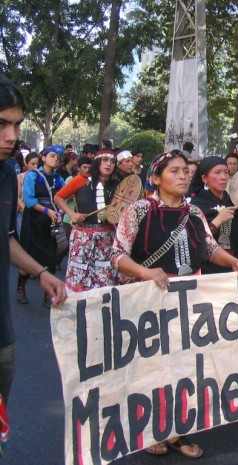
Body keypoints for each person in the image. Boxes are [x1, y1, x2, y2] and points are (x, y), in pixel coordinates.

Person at [110, 150, 238, 459]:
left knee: (185, 367)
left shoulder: (195, 213)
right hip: (149, 300)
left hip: (189, 301)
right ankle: (150, 429)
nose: (183, 176)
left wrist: (234, 261)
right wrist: (146, 272)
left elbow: (210, 249)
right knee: (153, 367)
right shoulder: (139, 210)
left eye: (185, 171)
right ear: (156, 179)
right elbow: (116, 254)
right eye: (174, 171)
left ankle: (177, 430)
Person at [0, 75, 67, 405]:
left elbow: (6, 239)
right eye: (1, 123)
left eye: (17, 124)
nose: (12, 136)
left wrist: (41, 273)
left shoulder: (6, 176)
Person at [54, 151, 122, 294]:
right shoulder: (81, 180)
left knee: (105, 277)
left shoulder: (117, 185)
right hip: (82, 236)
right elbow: (59, 197)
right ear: (97, 162)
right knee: (79, 276)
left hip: (107, 236)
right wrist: (72, 214)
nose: (109, 164)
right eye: (104, 160)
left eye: (112, 161)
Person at [189, 156, 238, 272]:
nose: (223, 177)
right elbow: (194, 241)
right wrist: (216, 222)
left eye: (226, 172)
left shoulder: (233, 202)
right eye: (217, 173)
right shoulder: (195, 206)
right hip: (209, 272)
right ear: (204, 178)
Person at [19, 145, 65, 308]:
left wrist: (59, 212)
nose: (55, 159)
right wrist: (47, 211)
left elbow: (61, 198)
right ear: (43, 158)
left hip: (50, 222)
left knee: (50, 256)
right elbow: (29, 200)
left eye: (58, 157)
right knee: (28, 254)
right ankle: (21, 288)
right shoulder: (33, 175)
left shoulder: (59, 179)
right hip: (34, 221)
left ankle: (49, 294)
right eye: (52, 156)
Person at [16, 152, 39, 241]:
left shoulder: (40, 177)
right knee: (22, 240)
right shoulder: (20, 177)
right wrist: (26, 209)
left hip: (37, 213)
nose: (35, 167)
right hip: (23, 213)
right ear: (26, 163)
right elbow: (17, 197)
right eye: (32, 164)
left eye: (37, 164)